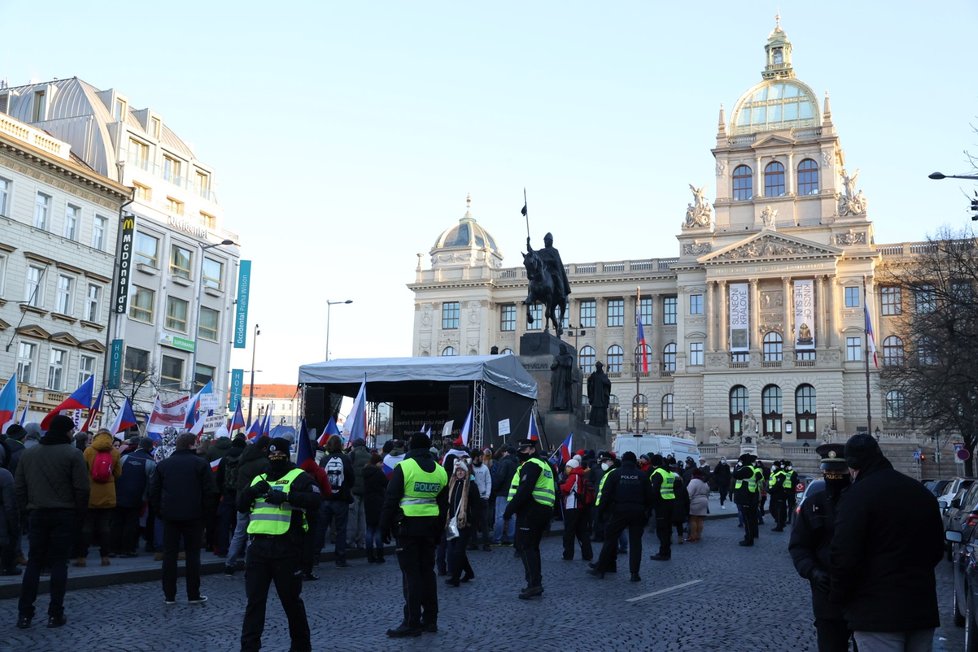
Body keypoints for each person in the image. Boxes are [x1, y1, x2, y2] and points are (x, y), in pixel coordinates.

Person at [829, 434, 943, 651]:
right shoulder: (920, 492)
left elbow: (843, 555)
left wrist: (838, 598)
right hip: (921, 608)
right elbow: (937, 550)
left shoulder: (857, 496)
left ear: (852, 465)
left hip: (875, 613)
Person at [238, 437, 321, 652]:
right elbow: (240, 505)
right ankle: (249, 647)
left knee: (291, 602)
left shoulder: (299, 476)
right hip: (258, 549)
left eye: (280, 456)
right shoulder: (259, 478)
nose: (275, 459)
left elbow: (315, 500)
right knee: (254, 603)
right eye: (272, 456)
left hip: (287, 549)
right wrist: (250, 492)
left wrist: (286, 497)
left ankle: (301, 647)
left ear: (287, 456)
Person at [14, 415, 89, 629]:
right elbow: (82, 489)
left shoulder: (29, 454)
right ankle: (55, 614)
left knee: (34, 563)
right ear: (66, 432)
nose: (73, 434)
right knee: (59, 563)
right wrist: (79, 515)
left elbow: (19, 486)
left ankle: (24, 614)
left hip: (37, 513)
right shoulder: (73, 454)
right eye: (72, 431)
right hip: (64, 514)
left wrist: (26, 510)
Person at [380, 431, 448, 638]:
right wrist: (438, 531)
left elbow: (391, 500)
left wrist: (383, 528)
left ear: (411, 447)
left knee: (411, 576)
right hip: (430, 529)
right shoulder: (440, 471)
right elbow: (444, 505)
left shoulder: (405, 467)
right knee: (428, 573)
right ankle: (430, 620)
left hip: (407, 529)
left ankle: (411, 622)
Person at [789, 444, 852, 652]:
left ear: (849, 470)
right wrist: (812, 571)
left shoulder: (862, 500)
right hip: (826, 595)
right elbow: (799, 546)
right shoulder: (813, 503)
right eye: (828, 471)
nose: (833, 476)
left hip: (862, 594)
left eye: (838, 471)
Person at [150, 432, 216, 605]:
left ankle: (169, 595)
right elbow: (210, 492)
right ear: (192, 445)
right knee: (193, 556)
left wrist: (159, 512)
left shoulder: (164, 465)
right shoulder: (201, 464)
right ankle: (193, 594)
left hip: (170, 516)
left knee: (169, 555)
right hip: (195, 516)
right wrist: (207, 516)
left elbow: (154, 491)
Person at [587, 451, 652, 582]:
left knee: (610, 539)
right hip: (638, 511)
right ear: (635, 462)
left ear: (623, 461)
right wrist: (646, 513)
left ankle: (601, 569)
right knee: (636, 543)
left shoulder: (615, 474)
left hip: (619, 511)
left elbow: (605, 494)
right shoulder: (642, 475)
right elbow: (650, 497)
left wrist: (600, 513)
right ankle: (634, 573)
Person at [502, 439, 555, 599]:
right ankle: (535, 582)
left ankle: (533, 584)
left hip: (531, 511)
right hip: (543, 510)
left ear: (532, 449)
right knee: (533, 547)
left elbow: (524, 490)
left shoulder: (532, 465)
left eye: (523, 449)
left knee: (526, 547)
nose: (520, 451)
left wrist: (508, 511)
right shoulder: (546, 465)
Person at [76, 428, 122, 567]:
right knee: (105, 527)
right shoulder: (114, 452)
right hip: (108, 494)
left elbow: (82, 471)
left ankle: (82, 557)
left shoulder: (89, 451)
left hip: (91, 493)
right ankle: (105, 557)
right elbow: (118, 473)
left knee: (87, 526)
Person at [225, 436, 270, 576]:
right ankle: (248, 564)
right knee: (252, 535)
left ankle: (229, 564)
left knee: (238, 533)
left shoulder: (243, 459)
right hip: (256, 502)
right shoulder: (264, 463)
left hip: (241, 500)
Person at [112, 436, 156, 557]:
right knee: (131, 524)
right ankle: (128, 549)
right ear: (151, 448)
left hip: (119, 495)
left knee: (117, 522)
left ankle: (113, 548)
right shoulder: (151, 462)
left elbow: (116, 475)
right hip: (137, 498)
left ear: (139, 446)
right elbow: (152, 484)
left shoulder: (125, 457)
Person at [445, 458, 481, 586]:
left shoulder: (472, 486)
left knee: (458, 551)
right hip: (451, 522)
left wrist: (472, 522)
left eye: (462, 470)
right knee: (456, 549)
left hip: (465, 523)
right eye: (458, 470)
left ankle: (455, 578)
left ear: (466, 472)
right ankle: (469, 572)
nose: (460, 472)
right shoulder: (451, 484)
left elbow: (477, 507)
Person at [318, 434, 353, 568]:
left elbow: (320, 477)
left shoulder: (324, 459)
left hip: (325, 498)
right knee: (341, 529)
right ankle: (340, 558)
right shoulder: (346, 459)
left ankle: (315, 557)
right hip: (341, 499)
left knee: (321, 529)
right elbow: (350, 477)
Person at [559, 458, 593, 562]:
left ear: (572, 467)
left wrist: (560, 485)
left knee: (569, 531)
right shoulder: (580, 475)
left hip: (572, 506)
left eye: (568, 466)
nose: (566, 468)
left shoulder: (574, 476)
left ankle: (568, 554)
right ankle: (587, 554)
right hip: (580, 507)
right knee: (582, 531)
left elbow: (567, 489)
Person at [526, 232, 571, 301]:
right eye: (544, 241)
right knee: (533, 280)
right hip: (544, 270)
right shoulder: (542, 251)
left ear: (550, 241)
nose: (545, 242)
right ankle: (530, 295)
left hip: (552, 271)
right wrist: (528, 243)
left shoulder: (554, 251)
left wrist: (547, 260)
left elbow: (556, 261)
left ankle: (561, 293)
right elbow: (531, 252)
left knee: (557, 279)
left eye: (546, 240)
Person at [362, 452, 388, 563]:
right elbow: (386, 484)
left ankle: (369, 555)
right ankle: (380, 555)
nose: (382, 465)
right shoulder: (379, 473)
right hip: (378, 501)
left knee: (369, 529)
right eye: (381, 462)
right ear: (377, 463)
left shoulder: (365, 472)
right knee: (378, 530)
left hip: (368, 501)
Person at [648, 454, 675, 561]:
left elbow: (654, 491)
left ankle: (663, 553)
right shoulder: (670, 473)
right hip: (670, 502)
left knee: (661, 530)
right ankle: (667, 552)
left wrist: (650, 506)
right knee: (667, 529)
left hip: (661, 504)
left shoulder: (658, 473)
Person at [491, 446, 518, 545]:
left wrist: (495, 488)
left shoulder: (504, 462)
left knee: (500, 516)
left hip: (502, 493)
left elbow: (499, 478)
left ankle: (497, 538)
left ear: (506, 452)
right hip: (513, 493)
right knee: (511, 516)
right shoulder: (517, 463)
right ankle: (511, 538)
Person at [469, 449, 492, 551]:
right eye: (480, 456)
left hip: (483, 498)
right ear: (475, 457)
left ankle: (486, 544)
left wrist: (487, 494)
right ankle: (473, 543)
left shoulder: (485, 468)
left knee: (484, 522)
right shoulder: (469, 468)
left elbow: (488, 482)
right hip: (472, 499)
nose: (482, 458)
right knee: (472, 522)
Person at [733, 454, 759, 546]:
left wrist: (737, 467)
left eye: (741, 460)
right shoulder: (750, 468)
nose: (740, 462)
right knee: (749, 519)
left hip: (746, 497)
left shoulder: (747, 468)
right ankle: (749, 537)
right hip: (748, 496)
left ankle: (749, 539)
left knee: (747, 520)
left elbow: (735, 475)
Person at [686, 467, 710, 542]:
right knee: (700, 520)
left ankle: (693, 536)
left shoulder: (693, 482)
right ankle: (699, 535)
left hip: (695, 501)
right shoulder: (704, 482)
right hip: (704, 501)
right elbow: (708, 492)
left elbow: (689, 493)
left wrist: (687, 502)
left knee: (693, 519)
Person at [549, 344, 574, 411]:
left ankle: (562, 406)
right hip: (556, 377)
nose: (561, 350)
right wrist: (555, 364)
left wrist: (559, 363)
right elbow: (552, 366)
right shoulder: (557, 357)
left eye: (562, 348)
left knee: (562, 391)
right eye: (560, 348)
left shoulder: (569, 356)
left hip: (564, 377)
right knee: (556, 391)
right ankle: (555, 406)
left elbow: (568, 364)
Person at [587, 362, 612, 427]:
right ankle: (593, 422)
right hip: (595, 396)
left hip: (602, 397)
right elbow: (589, 383)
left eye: (599, 366)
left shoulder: (604, 376)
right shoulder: (594, 375)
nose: (598, 368)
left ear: (601, 367)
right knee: (594, 410)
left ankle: (603, 423)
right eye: (597, 366)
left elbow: (608, 384)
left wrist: (605, 382)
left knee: (602, 410)